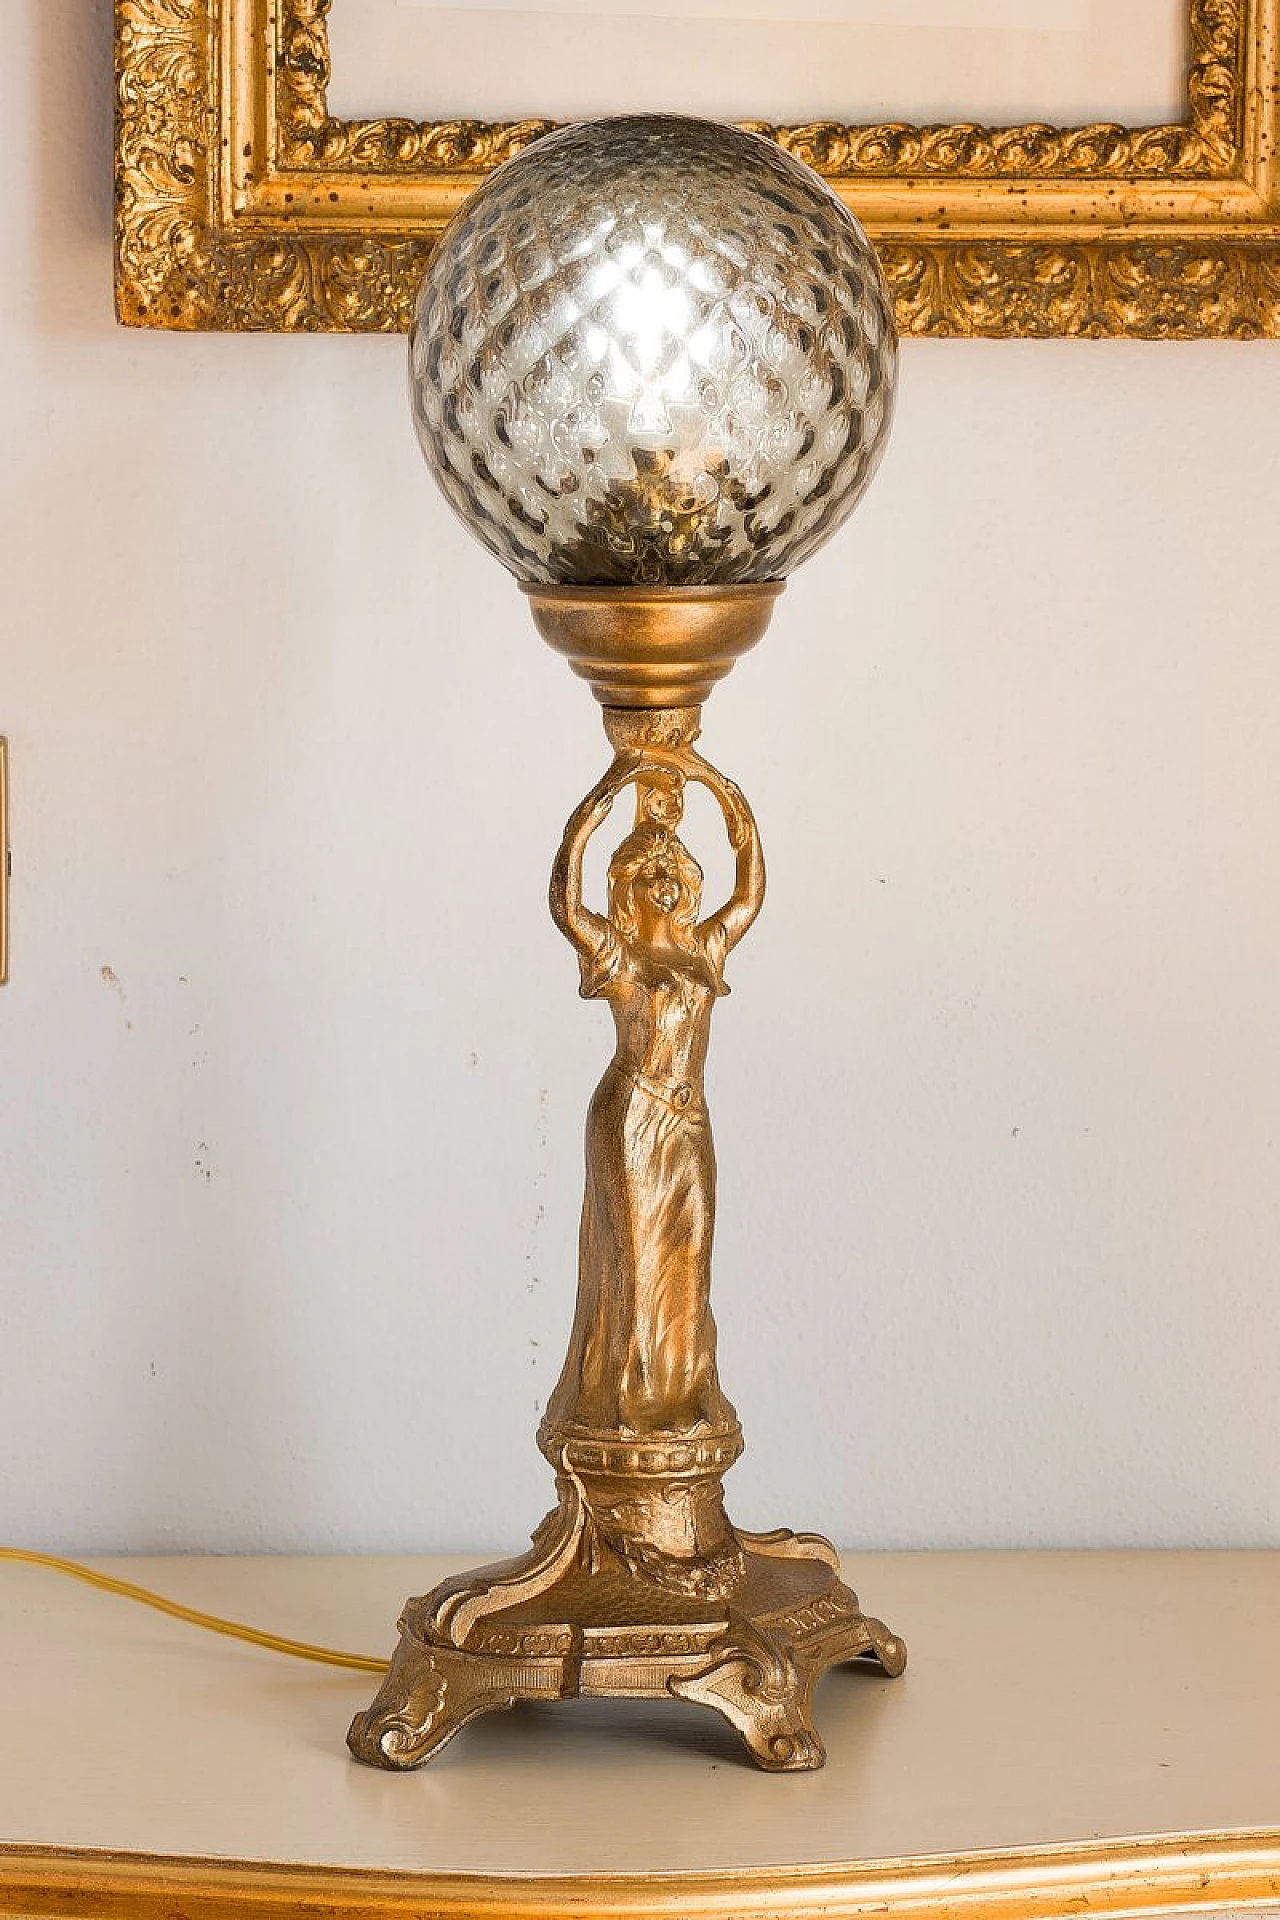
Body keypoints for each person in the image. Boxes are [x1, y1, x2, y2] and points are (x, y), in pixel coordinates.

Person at [544, 746, 765, 1440]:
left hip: (687, 1119)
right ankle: (629, 1407)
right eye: (649, 871)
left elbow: (751, 894)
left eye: (673, 869)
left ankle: (687, 1394)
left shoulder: (702, 949)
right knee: (636, 1261)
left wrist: (724, 794)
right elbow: (562, 906)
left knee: (689, 1254)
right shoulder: (619, 951)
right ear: (626, 884)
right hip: (632, 1111)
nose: (665, 881)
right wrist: (593, 812)